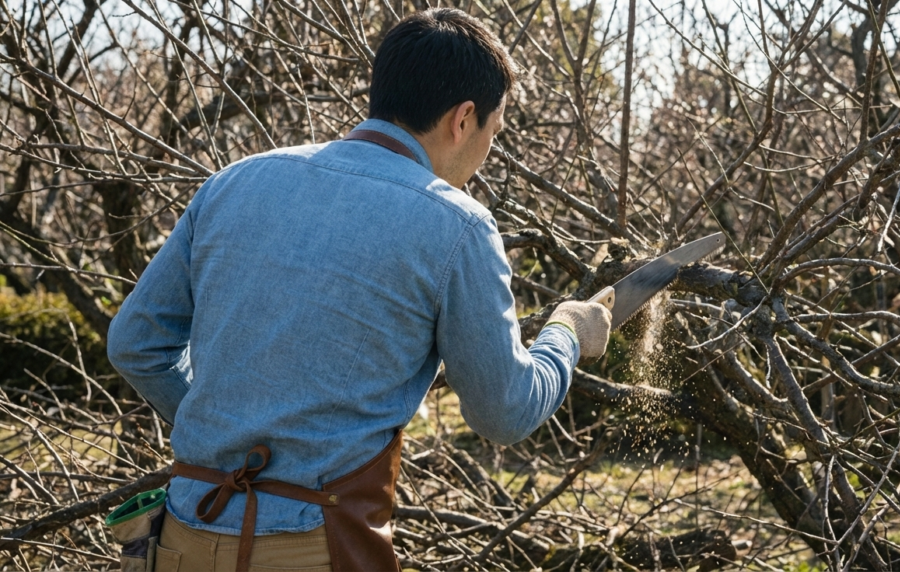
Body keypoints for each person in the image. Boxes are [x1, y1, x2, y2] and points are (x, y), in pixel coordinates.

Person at [106, 8, 612, 572]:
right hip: (315, 549)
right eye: (495, 129)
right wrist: (568, 332)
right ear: (464, 118)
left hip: (180, 538)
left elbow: (135, 342)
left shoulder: (236, 181)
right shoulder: (458, 226)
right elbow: (505, 412)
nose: (490, 146)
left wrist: (221, 437)